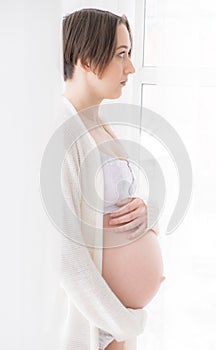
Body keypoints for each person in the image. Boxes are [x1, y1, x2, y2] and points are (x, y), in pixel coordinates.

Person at [60, 8, 165, 350]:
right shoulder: (61, 133)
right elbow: (66, 257)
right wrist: (122, 321)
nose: (131, 68)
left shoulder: (101, 125)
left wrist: (147, 214)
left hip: (114, 323)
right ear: (86, 58)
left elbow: (122, 204)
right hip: (96, 318)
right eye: (122, 54)